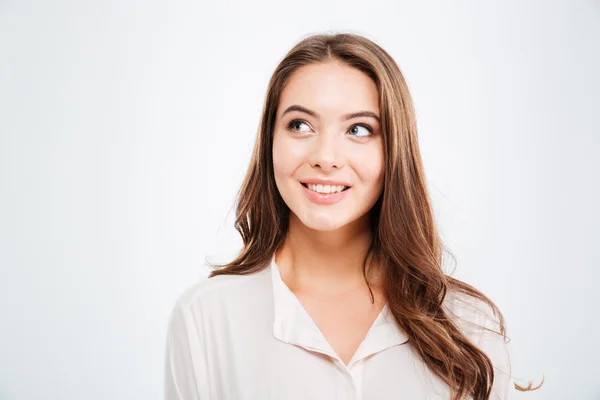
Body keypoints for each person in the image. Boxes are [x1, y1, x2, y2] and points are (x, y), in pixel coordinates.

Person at [164, 32, 542, 400]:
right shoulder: (205, 318)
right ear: (270, 142)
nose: (326, 156)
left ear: (394, 150)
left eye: (359, 129)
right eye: (300, 125)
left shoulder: (468, 327)